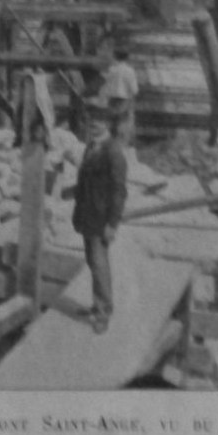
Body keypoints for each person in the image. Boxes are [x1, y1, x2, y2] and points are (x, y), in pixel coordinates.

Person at [71, 101, 128, 335]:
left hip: (101, 218)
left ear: (107, 125)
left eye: (99, 122)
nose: (94, 125)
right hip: (87, 214)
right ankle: (97, 305)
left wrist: (113, 224)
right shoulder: (91, 147)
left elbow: (119, 191)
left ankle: (104, 312)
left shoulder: (113, 152)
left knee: (99, 262)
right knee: (93, 262)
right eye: (91, 122)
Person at [102, 45, 139, 145]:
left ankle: (110, 145)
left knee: (111, 125)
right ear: (127, 57)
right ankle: (121, 147)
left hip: (112, 100)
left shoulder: (111, 70)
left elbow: (105, 85)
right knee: (123, 125)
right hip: (124, 101)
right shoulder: (129, 71)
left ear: (115, 56)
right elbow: (134, 90)